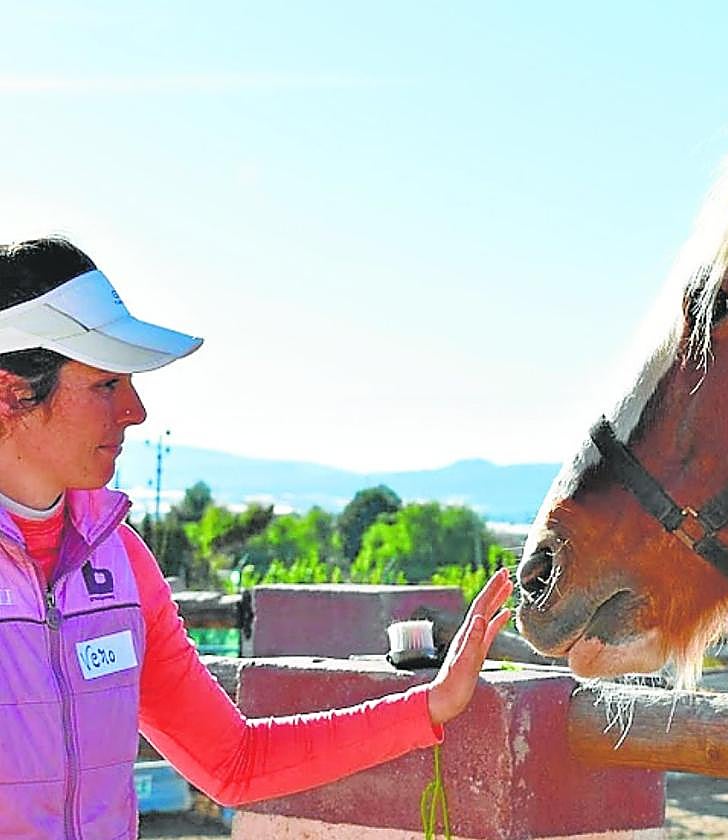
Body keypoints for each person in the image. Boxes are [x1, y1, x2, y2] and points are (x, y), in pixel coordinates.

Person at [0, 237, 515, 838]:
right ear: (12, 393)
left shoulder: (120, 561)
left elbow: (233, 762)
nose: (135, 411)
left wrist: (431, 703)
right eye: (106, 385)